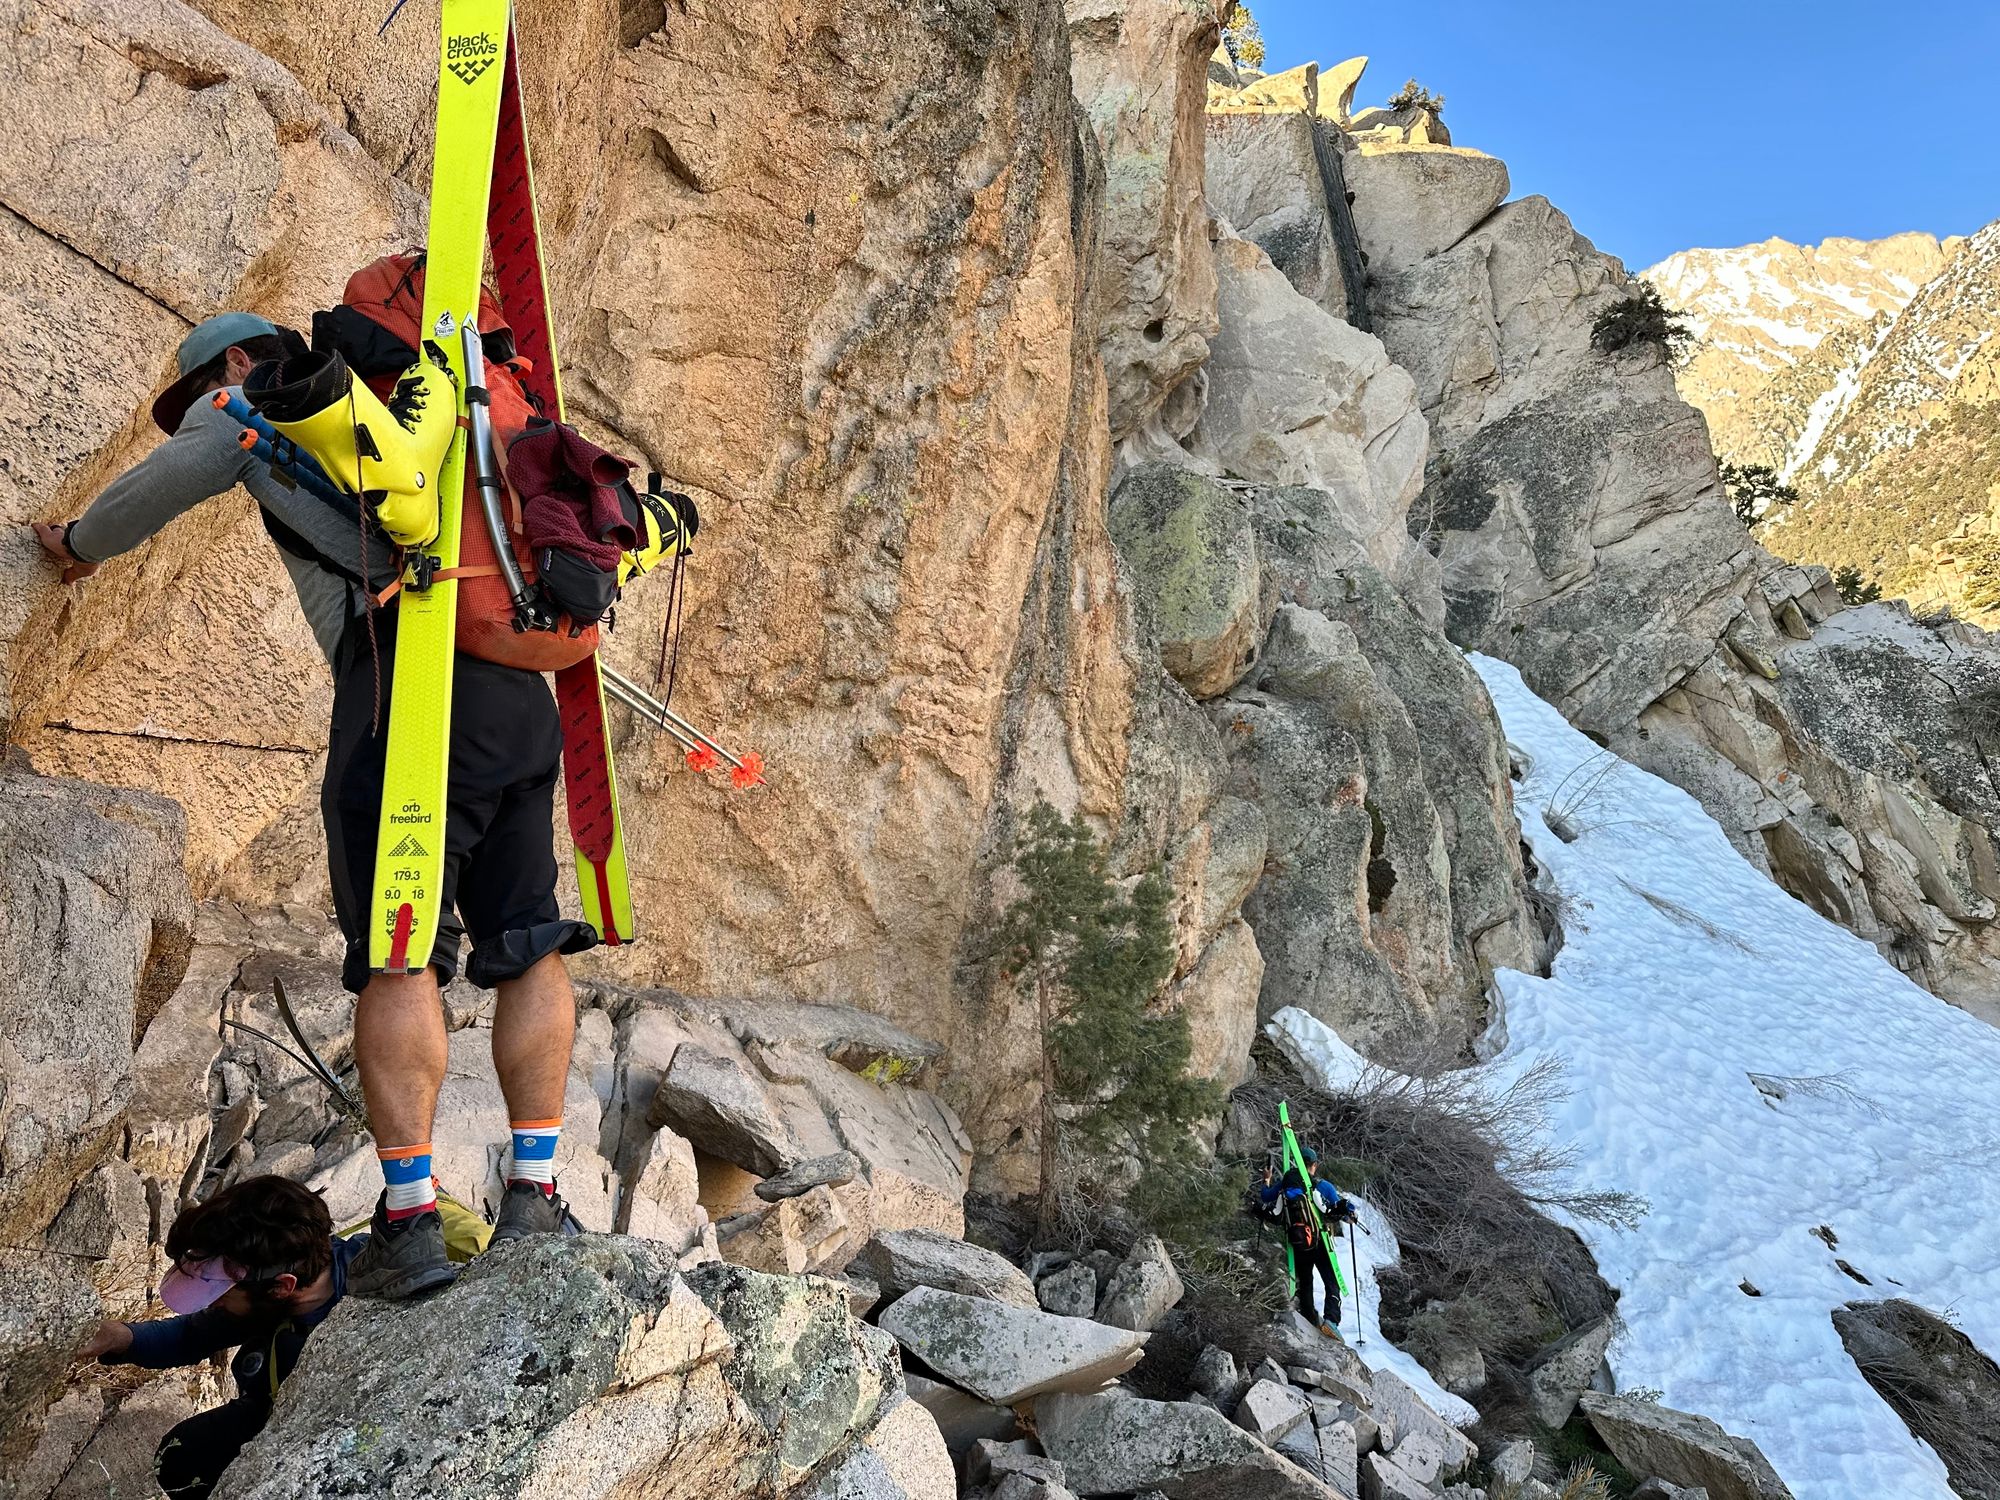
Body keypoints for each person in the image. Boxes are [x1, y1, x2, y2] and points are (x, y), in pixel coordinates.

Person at [35, 310, 593, 1299]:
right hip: (519, 691)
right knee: (530, 939)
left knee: (397, 947)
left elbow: (169, 478)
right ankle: (539, 1198)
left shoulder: (256, 398)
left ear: (241, 362)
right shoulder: (417, 405)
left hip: (406, 688)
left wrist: (77, 543)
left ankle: (413, 1219)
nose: (199, 413)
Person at [76, 1177, 357, 1498]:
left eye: (220, 1293)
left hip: (322, 1437)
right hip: (268, 1406)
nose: (212, 1302)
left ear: (282, 1286)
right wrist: (119, 1336)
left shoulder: (356, 1313)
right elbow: (193, 1335)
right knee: (180, 1458)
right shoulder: (270, 1291)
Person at [1262, 1144, 1358, 1335]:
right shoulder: (1323, 1186)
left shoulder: (1285, 1184)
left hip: (1298, 1242)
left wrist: (1266, 1180)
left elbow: (1265, 1197)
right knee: (1331, 1280)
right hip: (1320, 1240)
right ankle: (1331, 1321)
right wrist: (1350, 1215)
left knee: (1305, 1281)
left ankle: (1308, 1317)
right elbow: (1339, 1210)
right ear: (1314, 1165)